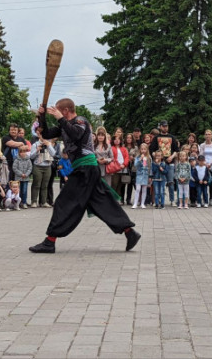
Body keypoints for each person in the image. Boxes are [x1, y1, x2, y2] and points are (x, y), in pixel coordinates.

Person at [29, 98, 140, 254]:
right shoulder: (64, 126)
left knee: (63, 202)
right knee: (103, 202)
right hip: (85, 169)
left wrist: (59, 118)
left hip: (85, 168)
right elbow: (46, 133)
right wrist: (41, 117)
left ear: (65, 111)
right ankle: (130, 232)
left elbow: (75, 135)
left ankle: (50, 241)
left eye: (59, 111)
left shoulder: (81, 121)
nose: (58, 114)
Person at [149, 121, 179, 206]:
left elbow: (176, 150)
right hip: (159, 164)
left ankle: (172, 200)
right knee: (158, 182)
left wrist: (171, 157)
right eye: (163, 126)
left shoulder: (172, 137)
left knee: (171, 182)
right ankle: (157, 201)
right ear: (160, 127)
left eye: (166, 126)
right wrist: (156, 157)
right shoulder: (156, 138)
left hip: (170, 163)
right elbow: (152, 150)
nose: (165, 128)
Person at [29, 134, 56, 207]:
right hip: (38, 166)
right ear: (39, 136)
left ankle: (44, 202)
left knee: (45, 185)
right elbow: (31, 156)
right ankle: (34, 202)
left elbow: (53, 154)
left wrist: (49, 145)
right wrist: (37, 150)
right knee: (36, 184)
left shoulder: (49, 143)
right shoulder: (35, 144)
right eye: (43, 135)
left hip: (47, 166)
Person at [110, 135, 129, 202]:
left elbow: (127, 157)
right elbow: (113, 158)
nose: (117, 140)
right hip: (115, 169)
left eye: (118, 139)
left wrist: (124, 165)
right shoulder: (111, 148)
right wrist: (118, 165)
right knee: (114, 184)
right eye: (115, 139)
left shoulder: (124, 149)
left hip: (123, 169)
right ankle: (112, 199)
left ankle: (118, 199)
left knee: (120, 185)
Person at [132, 143, 151, 209]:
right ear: (140, 150)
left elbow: (150, 167)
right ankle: (135, 203)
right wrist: (140, 159)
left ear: (147, 150)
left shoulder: (149, 158)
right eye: (142, 149)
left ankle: (142, 203)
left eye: (144, 149)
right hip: (139, 175)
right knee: (138, 189)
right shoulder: (137, 157)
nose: (143, 150)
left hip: (145, 175)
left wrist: (150, 176)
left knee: (144, 189)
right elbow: (136, 165)